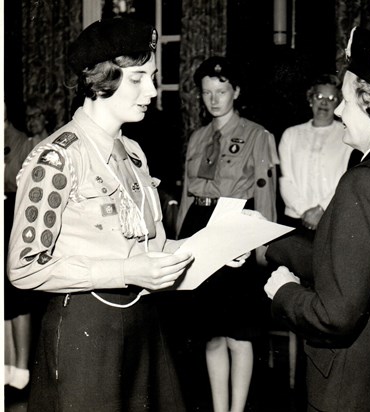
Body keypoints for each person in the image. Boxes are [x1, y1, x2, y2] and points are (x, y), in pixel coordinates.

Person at [7, 17, 194, 412]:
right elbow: (24, 267)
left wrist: (206, 249)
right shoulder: (58, 158)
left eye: (153, 77)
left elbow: (147, 246)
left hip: (142, 322)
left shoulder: (134, 154)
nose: (151, 90)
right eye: (138, 78)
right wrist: (125, 273)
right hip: (84, 330)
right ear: (102, 78)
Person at [264, 26, 370, 412]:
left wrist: (283, 293)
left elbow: (335, 315)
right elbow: (354, 263)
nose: (339, 110)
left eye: (345, 100)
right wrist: (270, 243)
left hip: (351, 390)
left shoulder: (365, 182)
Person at [176, 56, 279, 412]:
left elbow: (265, 193)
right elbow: (189, 194)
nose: (214, 99)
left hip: (236, 226)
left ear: (235, 91)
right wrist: (180, 245)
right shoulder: (197, 137)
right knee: (211, 331)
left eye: (221, 91)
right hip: (200, 228)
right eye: (207, 92)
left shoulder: (257, 135)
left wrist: (261, 246)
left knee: (240, 332)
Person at [278, 73, 352, 231]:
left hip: (332, 217)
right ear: (310, 99)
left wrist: (321, 210)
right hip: (296, 218)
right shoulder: (291, 134)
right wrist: (306, 212)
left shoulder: (347, 135)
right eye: (319, 96)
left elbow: (346, 179)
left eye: (331, 98)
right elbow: (286, 180)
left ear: (338, 103)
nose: (324, 103)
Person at [4, 104, 33, 390]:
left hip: (12, 217)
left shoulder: (21, 141)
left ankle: (22, 369)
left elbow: (20, 184)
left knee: (16, 295)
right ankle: (8, 365)